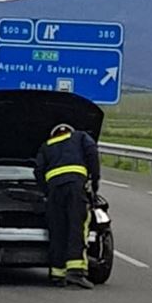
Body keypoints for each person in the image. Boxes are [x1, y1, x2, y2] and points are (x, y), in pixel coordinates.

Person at [34, 123, 100, 289]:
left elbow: (38, 171)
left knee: (58, 229)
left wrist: (47, 191)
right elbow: (92, 153)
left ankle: (57, 274)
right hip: (75, 186)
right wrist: (94, 181)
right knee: (76, 227)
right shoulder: (80, 136)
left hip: (55, 190)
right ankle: (75, 273)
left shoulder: (46, 146)